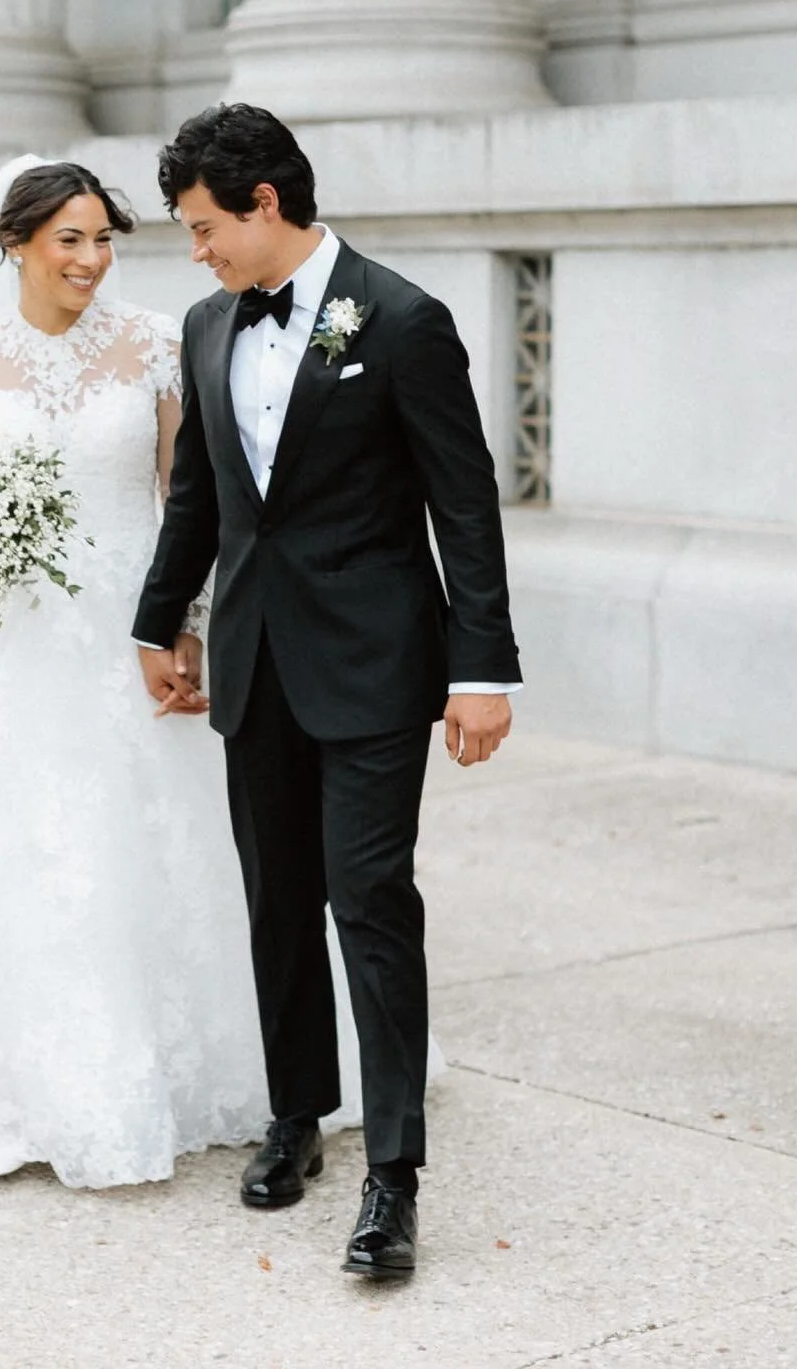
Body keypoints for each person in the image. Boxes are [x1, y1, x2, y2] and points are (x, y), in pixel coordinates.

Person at [0, 154, 410, 1188]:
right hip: (12, 646)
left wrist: (188, 625)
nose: (91, 259)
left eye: (104, 239)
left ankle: (265, 1073)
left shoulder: (160, 345)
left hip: (134, 626)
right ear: (16, 245)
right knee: (13, 852)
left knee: (187, 851)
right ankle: (10, 1073)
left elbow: (187, 496)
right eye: (69, 239)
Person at [135, 104, 521, 1277]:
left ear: (264, 203)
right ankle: (295, 1114)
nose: (195, 251)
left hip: (375, 667)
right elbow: (201, 497)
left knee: (369, 899)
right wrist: (160, 621)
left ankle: (392, 1174)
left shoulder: (401, 319)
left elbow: (464, 502)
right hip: (253, 661)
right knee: (277, 901)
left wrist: (481, 669)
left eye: (204, 227)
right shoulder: (208, 326)